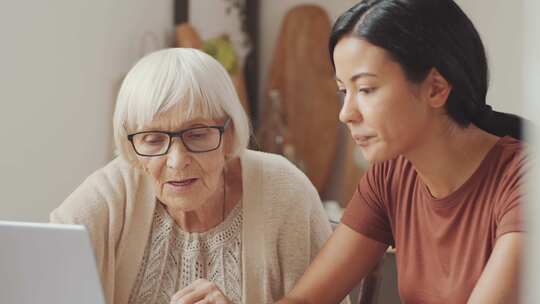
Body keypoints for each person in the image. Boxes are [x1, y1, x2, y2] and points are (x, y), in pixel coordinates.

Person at [277, 0, 526, 303]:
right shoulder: (390, 174)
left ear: (435, 88)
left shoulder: (524, 182)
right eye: (344, 91)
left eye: (366, 89)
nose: (346, 113)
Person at [50, 48, 334, 304]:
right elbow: (40, 271)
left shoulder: (283, 190)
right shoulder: (113, 193)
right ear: (132, 147)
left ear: (230, 133)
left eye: (197, 135)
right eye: (153, 140)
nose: (177, 161)